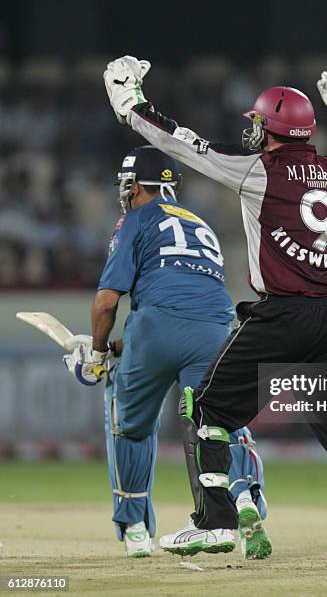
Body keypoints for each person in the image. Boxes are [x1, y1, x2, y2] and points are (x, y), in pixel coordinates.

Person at [103, 56, 327, 569]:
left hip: (282, 316)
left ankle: (214, 521)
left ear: (273, 129)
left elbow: (182, 144)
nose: (252, 131)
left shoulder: (258, 170)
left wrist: (132, 105)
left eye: (257, 123)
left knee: (209, 410)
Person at [63, 145, 271, 560]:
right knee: (218, 422)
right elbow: (190, 301)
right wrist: (121, 345)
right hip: (218, 328)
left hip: (156, 328)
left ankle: (135, 526)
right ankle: (244, 500)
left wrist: (100, 354)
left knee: (129, 422)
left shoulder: (134, 219)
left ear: (136, 185)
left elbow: (107, 302)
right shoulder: (201, 223)